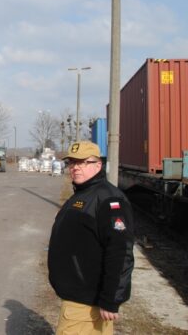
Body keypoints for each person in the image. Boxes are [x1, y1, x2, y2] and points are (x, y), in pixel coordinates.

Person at [48, 141, 134, 335]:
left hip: (87, 304)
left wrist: (110, 299)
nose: (76, 167)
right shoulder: (84, 194)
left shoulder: (108, 199)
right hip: (79, 300)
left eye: (83, 162)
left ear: (98, 165)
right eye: (72, 162)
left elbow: (120, 252)